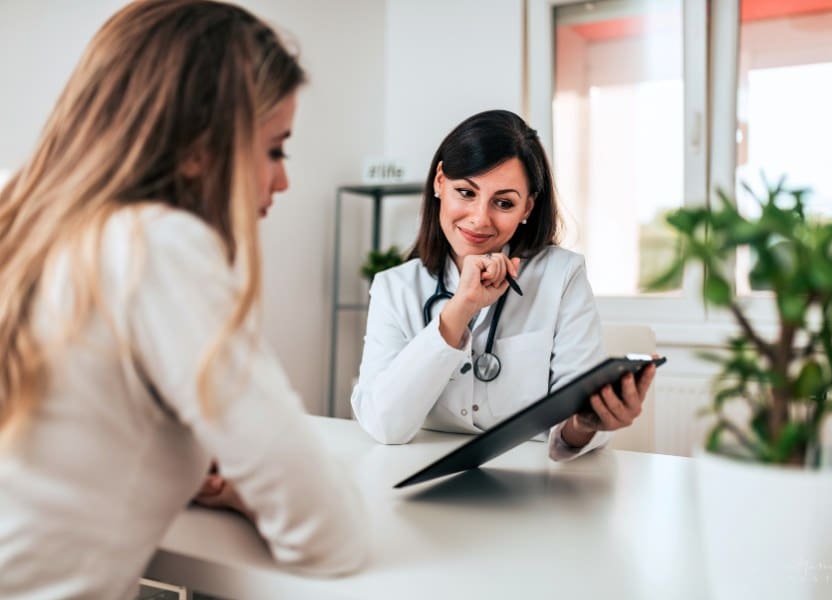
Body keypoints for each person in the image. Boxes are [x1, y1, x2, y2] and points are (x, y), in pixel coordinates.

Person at [0, 2, 367, 597]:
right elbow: (327, 532)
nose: (284, 180)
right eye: (276, 149)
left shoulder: (18, 213)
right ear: (200, 147)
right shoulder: (156, 245)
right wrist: (252, 494)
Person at [351, 109, 656, 460]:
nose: (480, 219)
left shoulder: (562, 276)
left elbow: (569, 422)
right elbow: (384, 425)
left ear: (528, 206)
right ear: (439, 182)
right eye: (465, 192)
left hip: (533, 483)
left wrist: (586, 423)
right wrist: (459, 309)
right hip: (416, 472)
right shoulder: (395, 288)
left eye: (504, 203)